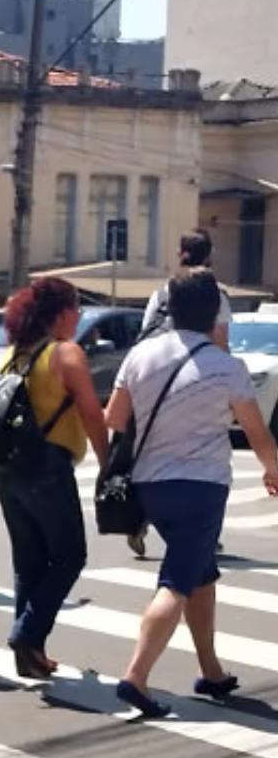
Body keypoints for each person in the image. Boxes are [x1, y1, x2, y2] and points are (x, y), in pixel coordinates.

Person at [105, 269, 278, 718]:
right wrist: (273, 470)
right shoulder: (226, 366)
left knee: (201, 575)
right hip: (201, 488)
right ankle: (136, 676)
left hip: (150, 486)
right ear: (215, 314)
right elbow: (257, 432)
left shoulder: (141, 356)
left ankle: (211, 670)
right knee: (177, 581)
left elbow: (115, 417)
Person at [0, 277, 108, 680]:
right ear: (61, 313)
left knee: (29, 562)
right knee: (69, 555)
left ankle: (31, 654)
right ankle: (26, 635)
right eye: (76, 309)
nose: (78, 318)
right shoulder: (65, 353)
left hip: (6, 469)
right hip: (47, 467)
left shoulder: (13, 355)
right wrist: (107, 461)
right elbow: (92, 413)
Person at [130, 229, 232, 558]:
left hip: (157, 383)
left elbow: (145, 338)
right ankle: (203, 530)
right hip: (197, 381)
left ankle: (142, 516)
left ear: (180, 253)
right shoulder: (215, 295)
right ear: (210, 255)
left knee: (152, 451)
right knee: (202, 454)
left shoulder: (162, 294)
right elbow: (220, 343)